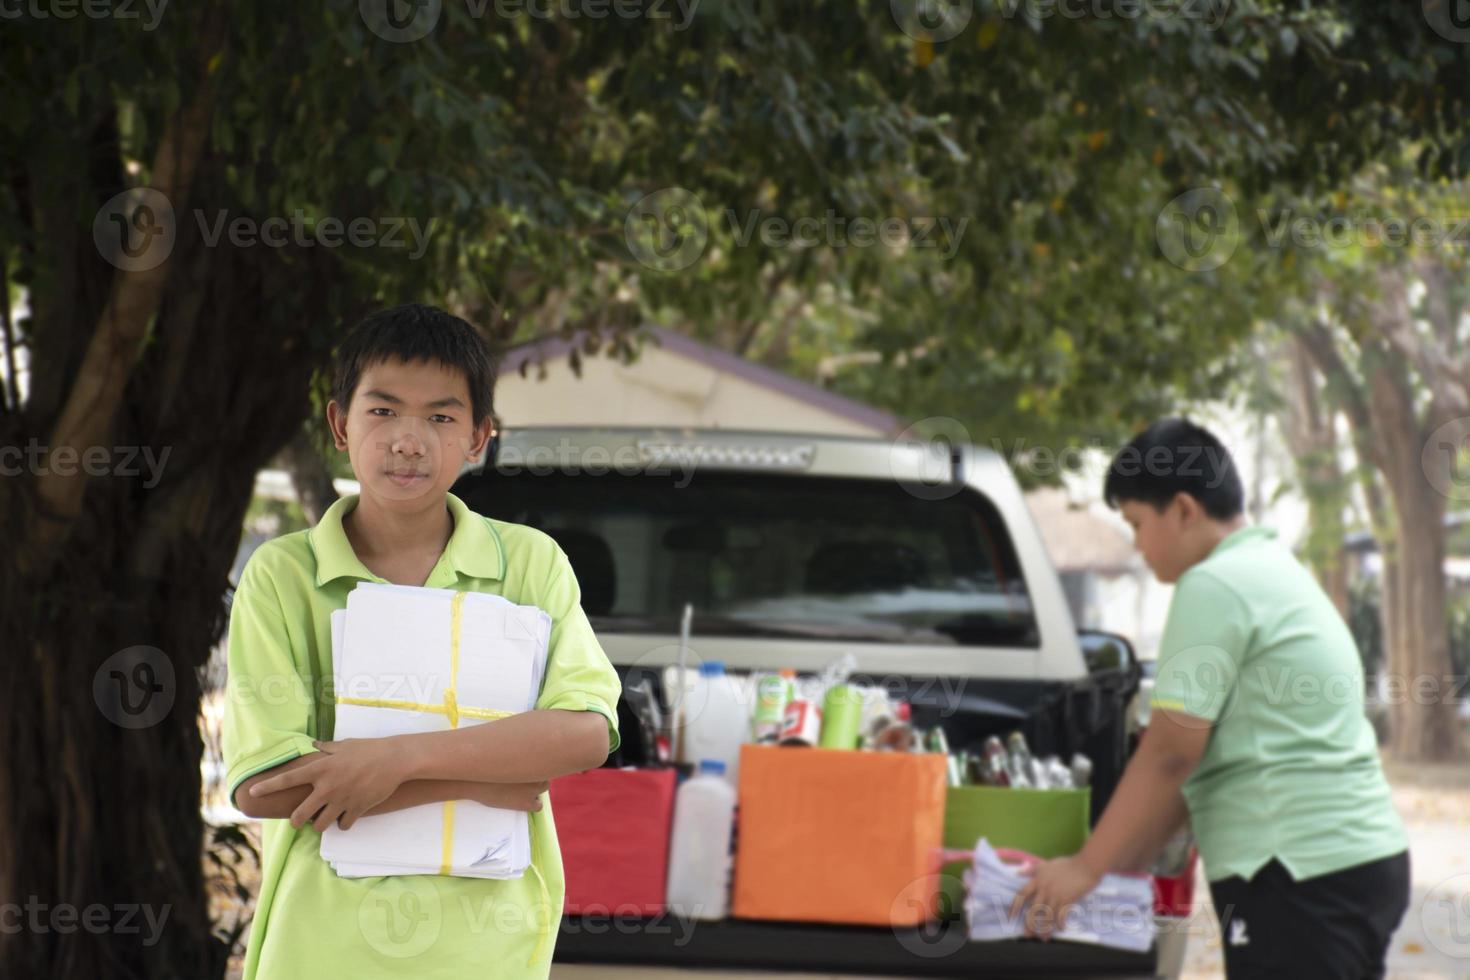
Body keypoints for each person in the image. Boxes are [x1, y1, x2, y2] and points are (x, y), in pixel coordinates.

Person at [221, 304, 622, 979]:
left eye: (440, 417)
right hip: (322, 944)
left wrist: (392, 758)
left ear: (478, 436)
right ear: (340, 424)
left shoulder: (529, 563)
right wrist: (479, 776)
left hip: (486, 942)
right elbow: (263, 787)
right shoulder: (283, 574)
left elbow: (585, 731)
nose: (409, 440)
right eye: (382, 411)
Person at [1013, 417, 1409, 979]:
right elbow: (1189, 771)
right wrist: (1110, 871)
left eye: (1136, 523)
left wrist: (1084, 866)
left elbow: (1170, 754)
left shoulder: (1214, 584)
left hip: (1295, 872)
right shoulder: (1271, 569)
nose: (1137, 545)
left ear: (1183, 509)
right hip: (1354, 863)